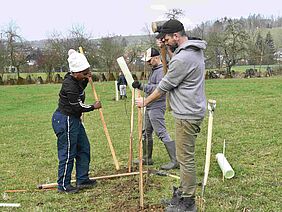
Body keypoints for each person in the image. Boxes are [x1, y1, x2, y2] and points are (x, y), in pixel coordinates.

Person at [135, 19, 207, 212]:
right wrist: (166, 50)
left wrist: (145, 101)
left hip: (187, 114)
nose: (165, 42)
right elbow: (174, 61)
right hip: (189, 111)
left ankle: (188, 201)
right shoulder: (191, 51)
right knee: (184, 157)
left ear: (176, 36)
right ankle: (182, 193)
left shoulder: (184, 59)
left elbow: (164, 85)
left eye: (166, 39)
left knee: (185, 158)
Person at [52, 49, 102, 193]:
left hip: (74, 120)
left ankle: (82, 179)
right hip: (65, 120)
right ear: (76, 72)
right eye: (85, 73)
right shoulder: (69, 85)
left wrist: (87, 78)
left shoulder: (77, 79)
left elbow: (81, 87)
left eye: (88, 72)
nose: (87, 75)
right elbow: (77, 105)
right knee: (68, 153)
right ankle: (63, 185)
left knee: (84, 148)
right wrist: (93, 106)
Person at [132, 47, 178, 170]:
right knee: (146, 132)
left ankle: (175, 160)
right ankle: (147, 157)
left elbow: (160, 89)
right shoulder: (154, 70)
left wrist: (142, 86)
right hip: (149, 105)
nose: (147, 63)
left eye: (149, 60)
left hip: (157, 106)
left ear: (157, 58)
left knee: (161, 132)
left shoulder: (162, 71)